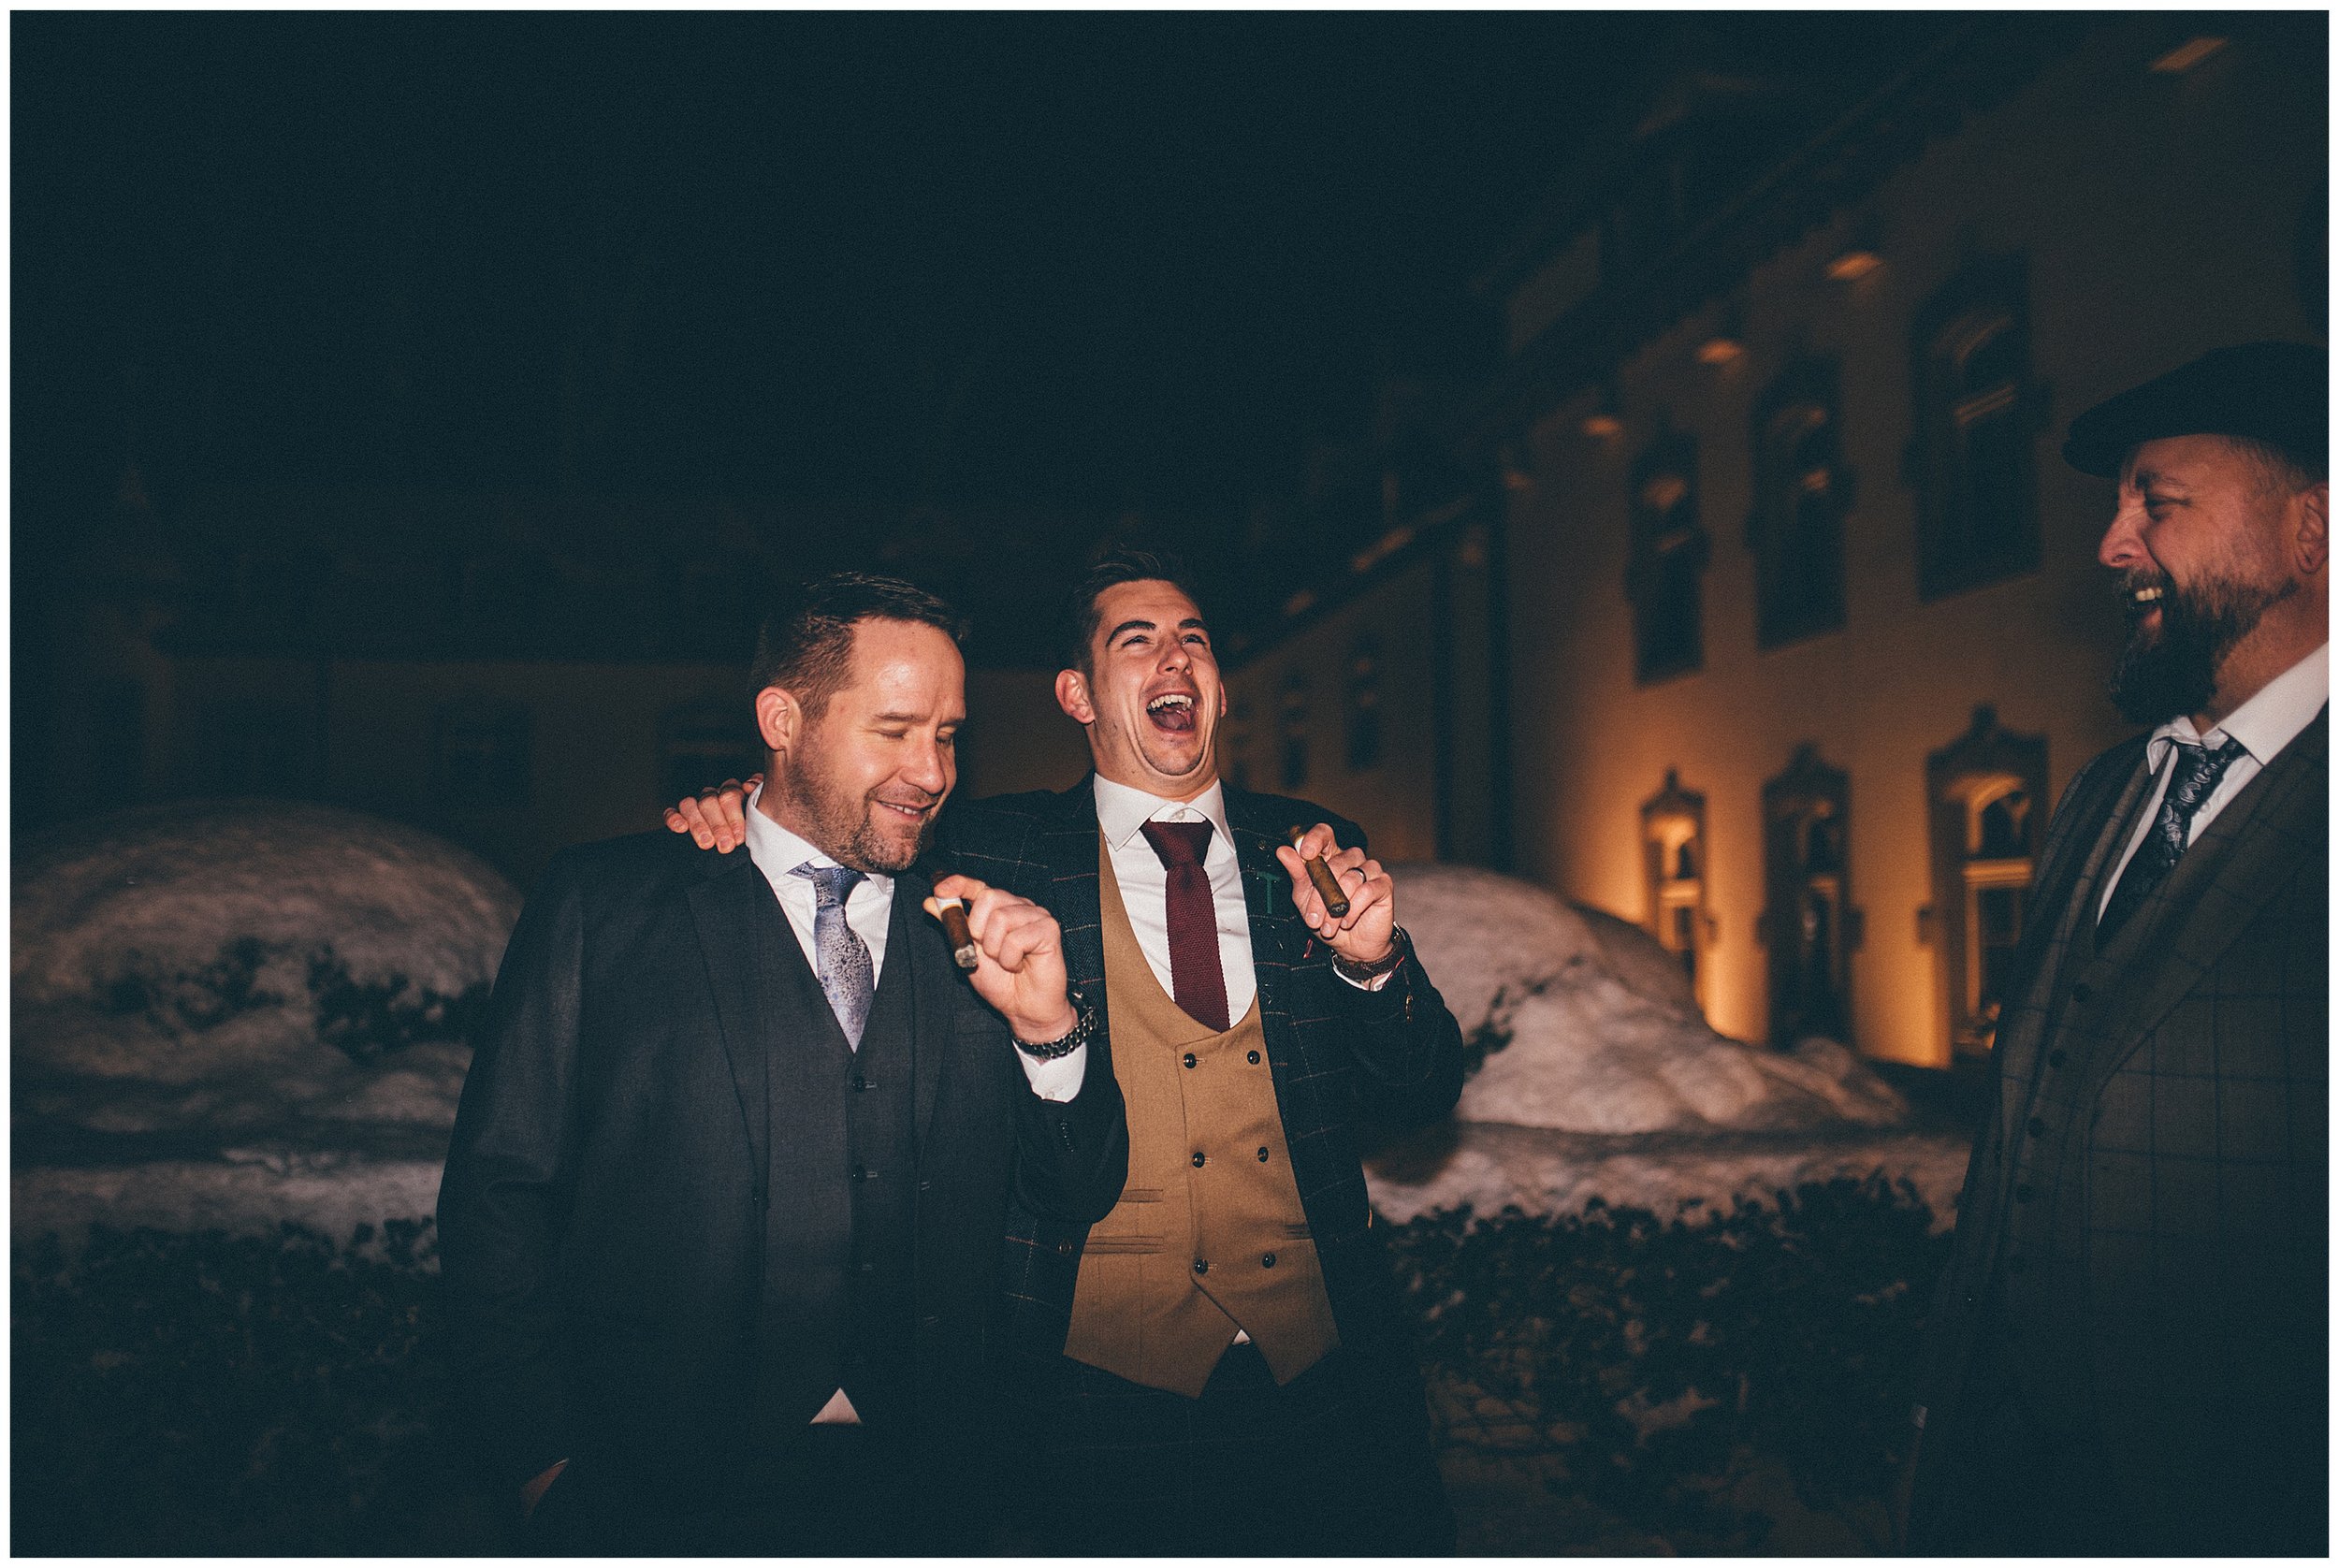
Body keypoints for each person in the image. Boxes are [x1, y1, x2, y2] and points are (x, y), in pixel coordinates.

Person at [671, 550, 1465, 1554]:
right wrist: (743, 798)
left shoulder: (1309, 850)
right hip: (1088, 1394)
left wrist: (1373, 962)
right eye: (1136, 640)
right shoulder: (993, 850)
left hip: (1323, 1382)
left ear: (1218, 689)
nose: (1175, 656)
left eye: (1195, 640)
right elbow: (846, 811)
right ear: (1077, 694)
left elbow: (1422, 1088)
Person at [438, 573, 1128, 1554]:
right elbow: (499, 1195)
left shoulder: (985, 921)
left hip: (935, 1491)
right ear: (782, 718)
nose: (930, 770)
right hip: (656, 1488)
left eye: (947, 733)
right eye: (894, 729)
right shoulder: (604, 906)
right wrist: (540, 1461)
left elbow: (1078, 1188)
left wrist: (1049, 1030)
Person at [1899, 342, 2327, 1555]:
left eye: (2158, 502)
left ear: (2311, 531)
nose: (2111, 544)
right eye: (2114, 506)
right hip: (2013, 1491)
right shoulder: (2100, 798)